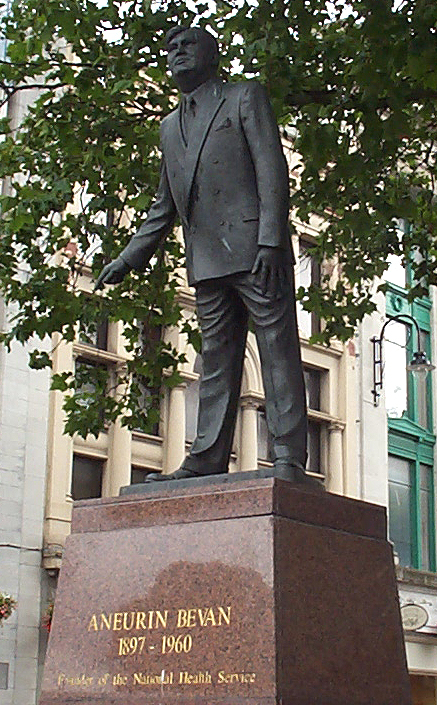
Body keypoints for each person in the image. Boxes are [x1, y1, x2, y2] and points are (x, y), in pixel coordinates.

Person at [95, 25, 319, 488]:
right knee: (215, 360)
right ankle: (208, 456)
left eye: (187, 45)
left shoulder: (243, 97)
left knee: (277, 352)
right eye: (170, 48)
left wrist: (273, 241)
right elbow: (165, 204)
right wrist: (128, 258)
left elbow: (272, 168)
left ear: (212, 55)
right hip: (207, 260)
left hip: (258, 250)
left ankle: (288, 458)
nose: (176, 53)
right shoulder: (169, 127)